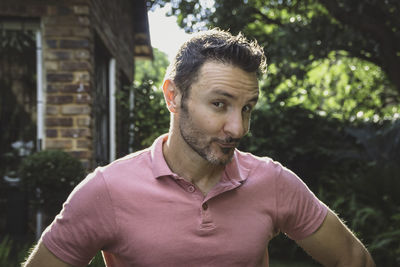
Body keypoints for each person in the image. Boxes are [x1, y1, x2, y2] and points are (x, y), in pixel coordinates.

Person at [24, 28, 375, 267]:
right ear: (173, 96)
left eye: (247, 108)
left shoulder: (273, 182)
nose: (238, 128)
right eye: (220, 105)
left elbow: (353, 259)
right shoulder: (106, 191)